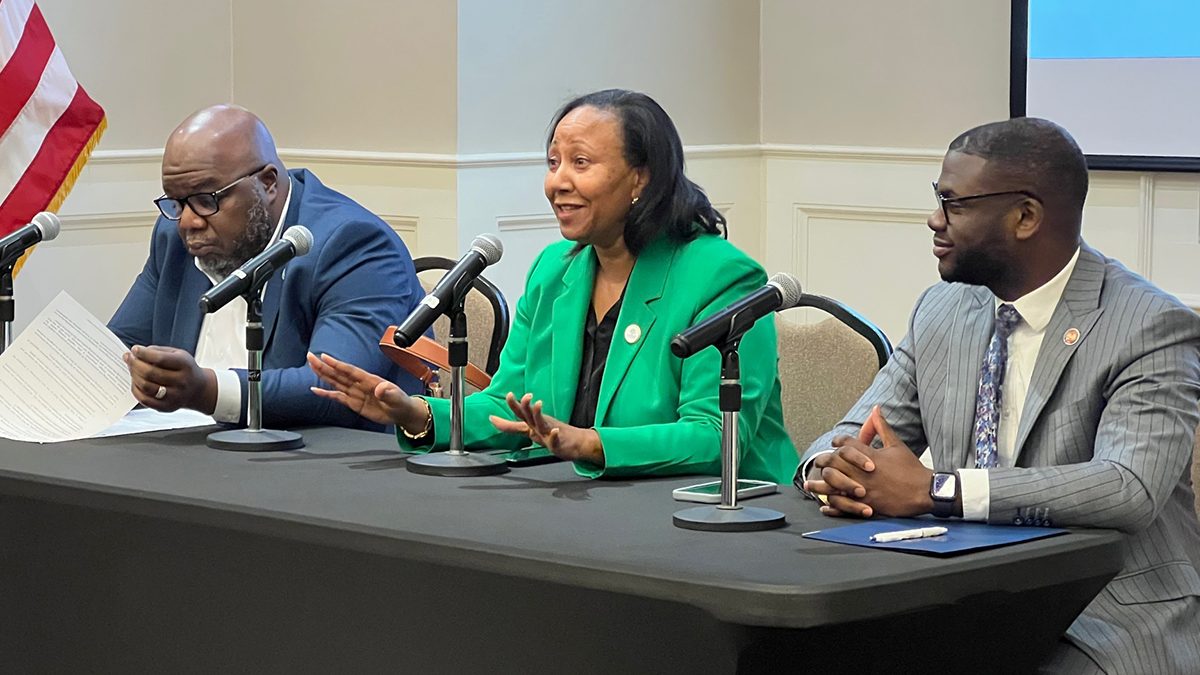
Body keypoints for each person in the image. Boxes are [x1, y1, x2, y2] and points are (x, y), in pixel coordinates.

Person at [799, 118, 1200, 673]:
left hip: (1102, 615)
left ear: (1025, 217)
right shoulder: (942, 310)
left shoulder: (1148, 325)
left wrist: (938, 490)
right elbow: (854, 433)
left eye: (955, 204)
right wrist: (833, 467)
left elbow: (1127, 487)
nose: (934, 219)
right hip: (957, 597)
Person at [309, 89, 797, 482]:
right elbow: (506, 406)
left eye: (580, 163)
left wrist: (590, 444)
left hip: (710, 515)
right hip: (580, 509)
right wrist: (417, 414)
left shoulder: (721, 277)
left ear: (640, 179)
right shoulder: (553, 272)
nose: (557, 183)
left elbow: (715, 435)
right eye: (553, 162)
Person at [109, 104, 424, 432]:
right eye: (176, 202)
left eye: (206, 200)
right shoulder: (173, 236)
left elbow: (335, 388)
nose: (188, 221)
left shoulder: (353, 243)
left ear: (268, 183)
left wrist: (207, 391)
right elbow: (122, 348)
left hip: (314, 451)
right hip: (186, 445)